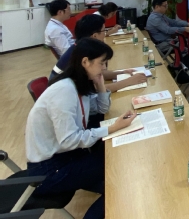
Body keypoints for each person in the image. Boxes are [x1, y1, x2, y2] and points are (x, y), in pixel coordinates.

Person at [26, 38, 137, 219]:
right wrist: (112, 128)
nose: (104, 68)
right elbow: (69, 140)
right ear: (85, 62)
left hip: (65, 157)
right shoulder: (64, 91)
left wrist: (101, 85)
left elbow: (101, 109)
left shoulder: (77, 84)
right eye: (102, 63)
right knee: (117, 168)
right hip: (48, 172)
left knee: (116, 171)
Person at [49, 14, 147, 93]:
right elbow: (94, 90)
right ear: (95, 36)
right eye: (104, 30)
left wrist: (122, 73)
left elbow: (99, 74)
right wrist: (129, 81)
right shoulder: (82, 55)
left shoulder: (81, 47)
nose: (105, 33)